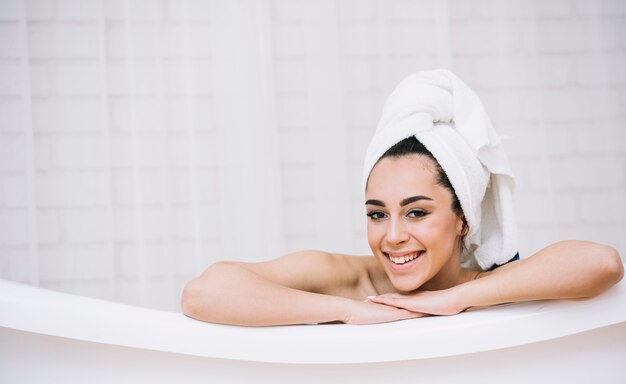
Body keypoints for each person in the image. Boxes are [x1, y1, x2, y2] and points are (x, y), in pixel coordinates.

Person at [181, 70, 623, 326]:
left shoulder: (485, 286)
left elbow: (602, 264)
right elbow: (204, 293)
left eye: (416, 212)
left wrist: (454, 299)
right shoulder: (349, 280)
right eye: (378, 214)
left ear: (462, 219)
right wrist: (349, 312)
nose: (393, 236)